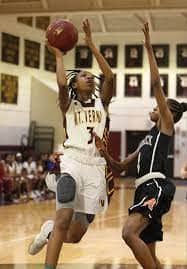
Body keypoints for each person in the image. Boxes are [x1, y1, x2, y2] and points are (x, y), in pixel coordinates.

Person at [95, 22, 187, 269]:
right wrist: (104, 154)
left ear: (169, 113)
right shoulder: (148, 138)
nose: (155, 108)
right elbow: (122, 166)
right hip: (142, 188)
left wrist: (148, 49)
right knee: (149, 255)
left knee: (128, 233)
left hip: (155, 186)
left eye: (159, 107)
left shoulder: (167, 125)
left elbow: (157, 85)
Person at [28, 19, 114, 269]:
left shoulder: (102, 104)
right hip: (72, 163)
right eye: (84, 75)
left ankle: (47, 232)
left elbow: (109, 76)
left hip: (96, 168)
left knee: (74, 235)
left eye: (90, 75)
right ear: (76, 84)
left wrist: (91, 45)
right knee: (63, 218)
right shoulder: (68, 105)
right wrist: (57, 55)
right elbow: (62, 84)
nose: (89, 77)